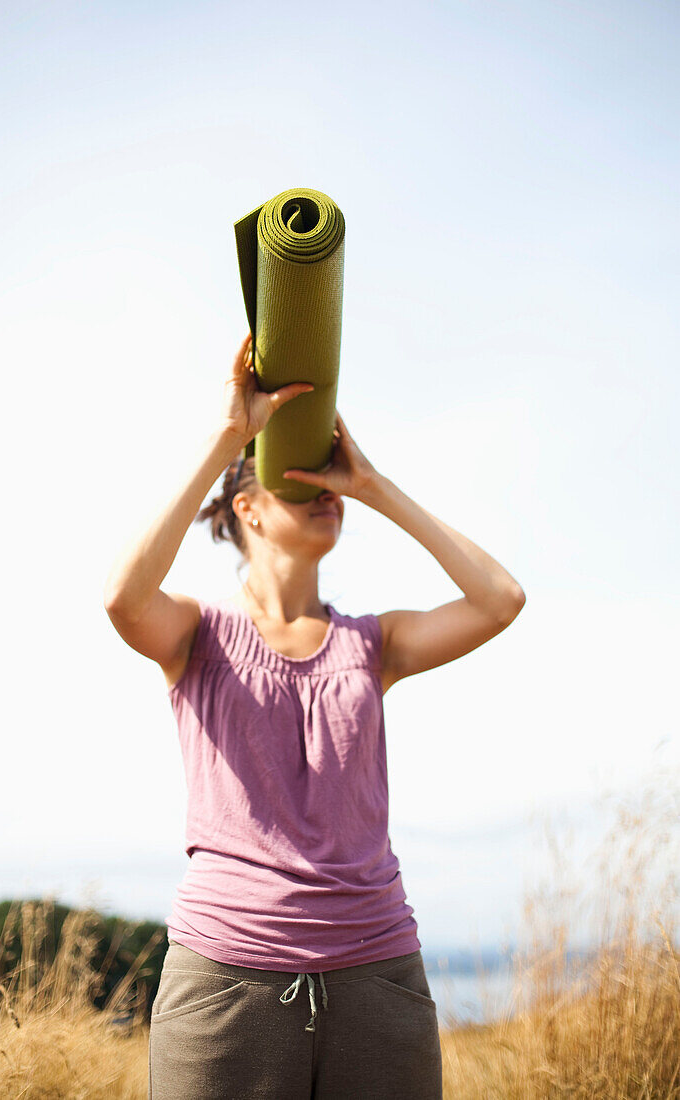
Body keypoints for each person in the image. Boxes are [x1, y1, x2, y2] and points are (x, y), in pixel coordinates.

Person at [104, 331, 526, 1099]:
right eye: (296, 483)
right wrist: (232, 432)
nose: (321, 491)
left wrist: (372, 484)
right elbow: (122, 597)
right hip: (228, 978)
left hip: (377, 970)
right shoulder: (198, 635)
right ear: (248, 510)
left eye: (325, 481)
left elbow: (500, 600)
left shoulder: (374, 643)